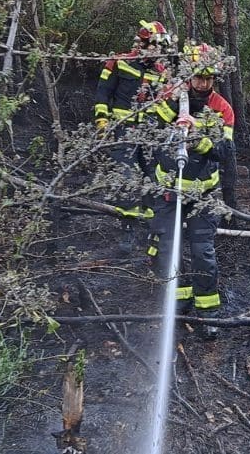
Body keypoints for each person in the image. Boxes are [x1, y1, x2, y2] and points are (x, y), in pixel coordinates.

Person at [138, 43, 235, 317]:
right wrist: (174, 118)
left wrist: (199, 140)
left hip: (203, 196)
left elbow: (226, 151)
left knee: (203, 253)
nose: (203, 83)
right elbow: (152, 131)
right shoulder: (171, 97)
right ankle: (178, 300)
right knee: (170, 249)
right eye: (198, 77)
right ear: (189, 75)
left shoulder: (222, 108)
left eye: (209, 78)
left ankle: (208, 311)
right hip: (168, 191)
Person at [93, 21, 174, 220]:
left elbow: (164, 103)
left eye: (161, 49)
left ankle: (150, 220)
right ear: (143, 44)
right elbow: (103, 93)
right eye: (155, 47)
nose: (158, 52)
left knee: (153, 176)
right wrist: (102, 121)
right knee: (125, 174)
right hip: (123, 129)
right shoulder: (119, 62)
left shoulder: (161, 72)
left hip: (150, 132)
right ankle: (127, 222)